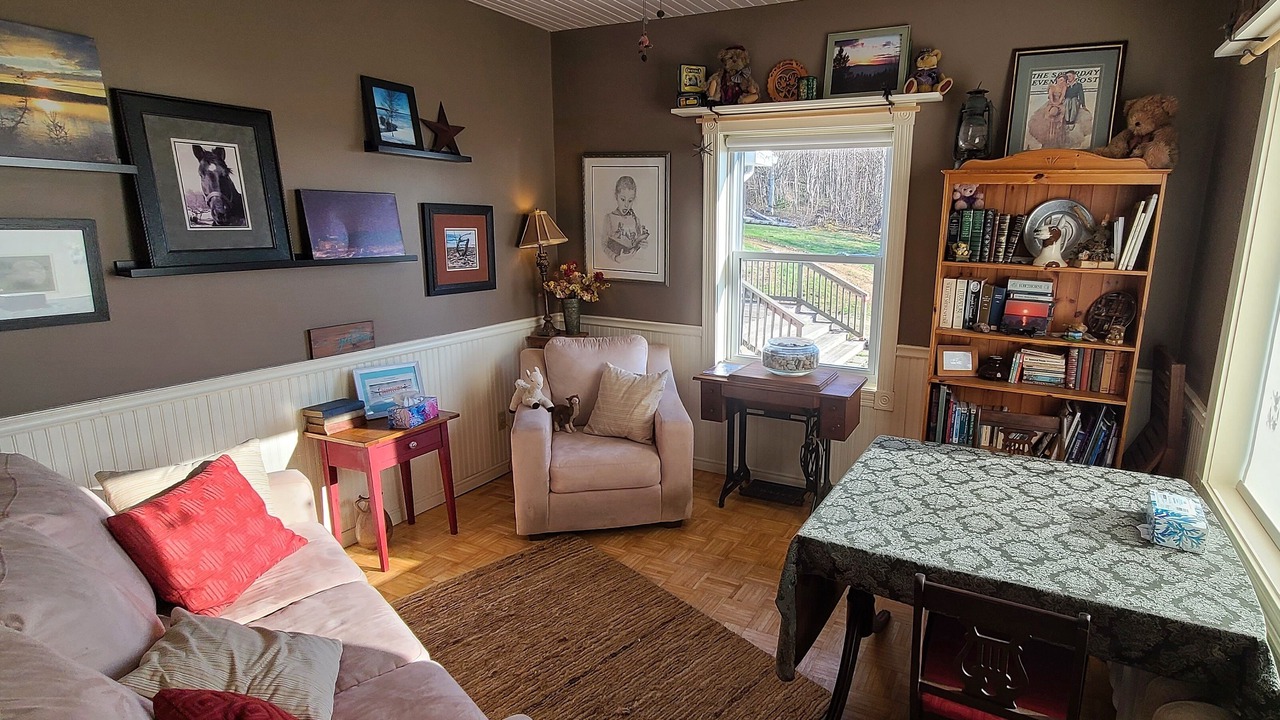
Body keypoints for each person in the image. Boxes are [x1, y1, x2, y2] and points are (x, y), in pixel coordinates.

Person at [601, 175, 649, 262]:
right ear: (616, 196)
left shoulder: (636, 220)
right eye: (623, 199)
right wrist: (616, 258)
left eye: (630, 201)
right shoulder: (609, 218)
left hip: (635, 264)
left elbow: (636, 243)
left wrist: (643, 245)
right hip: (616, 263)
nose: (626, 205)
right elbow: (603, 245)